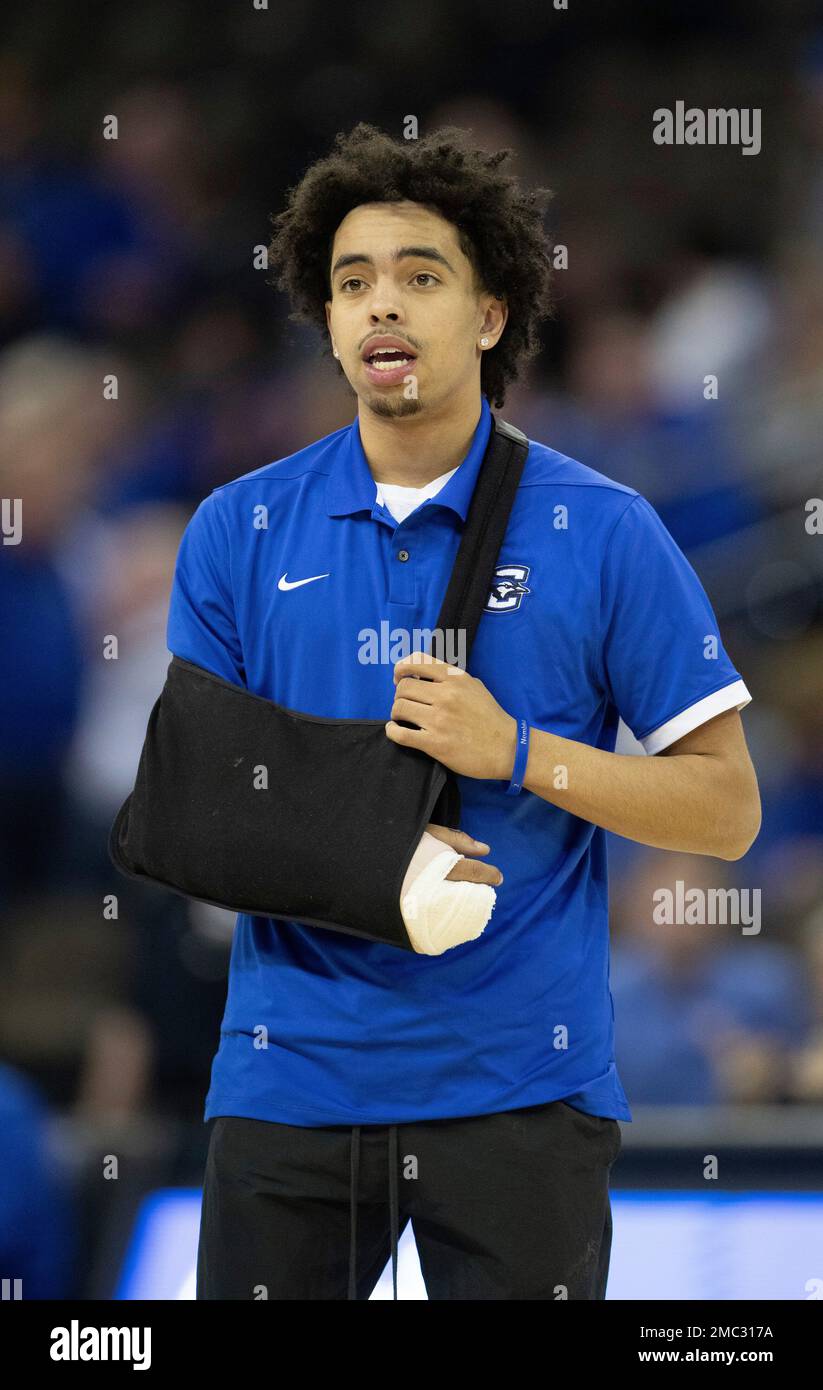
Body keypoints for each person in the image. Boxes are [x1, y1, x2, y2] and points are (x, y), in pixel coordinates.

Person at [183, 123, 761, 1299]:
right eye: (351, 283)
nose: (379, 305)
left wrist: (520, 753)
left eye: (418, 275)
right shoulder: (237, 530)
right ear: (328, 318)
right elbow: (193, 817)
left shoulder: (601, 530)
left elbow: (725, 810)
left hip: (518, 1096)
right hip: (291, 1088)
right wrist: (370, 854)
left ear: (491, 316)